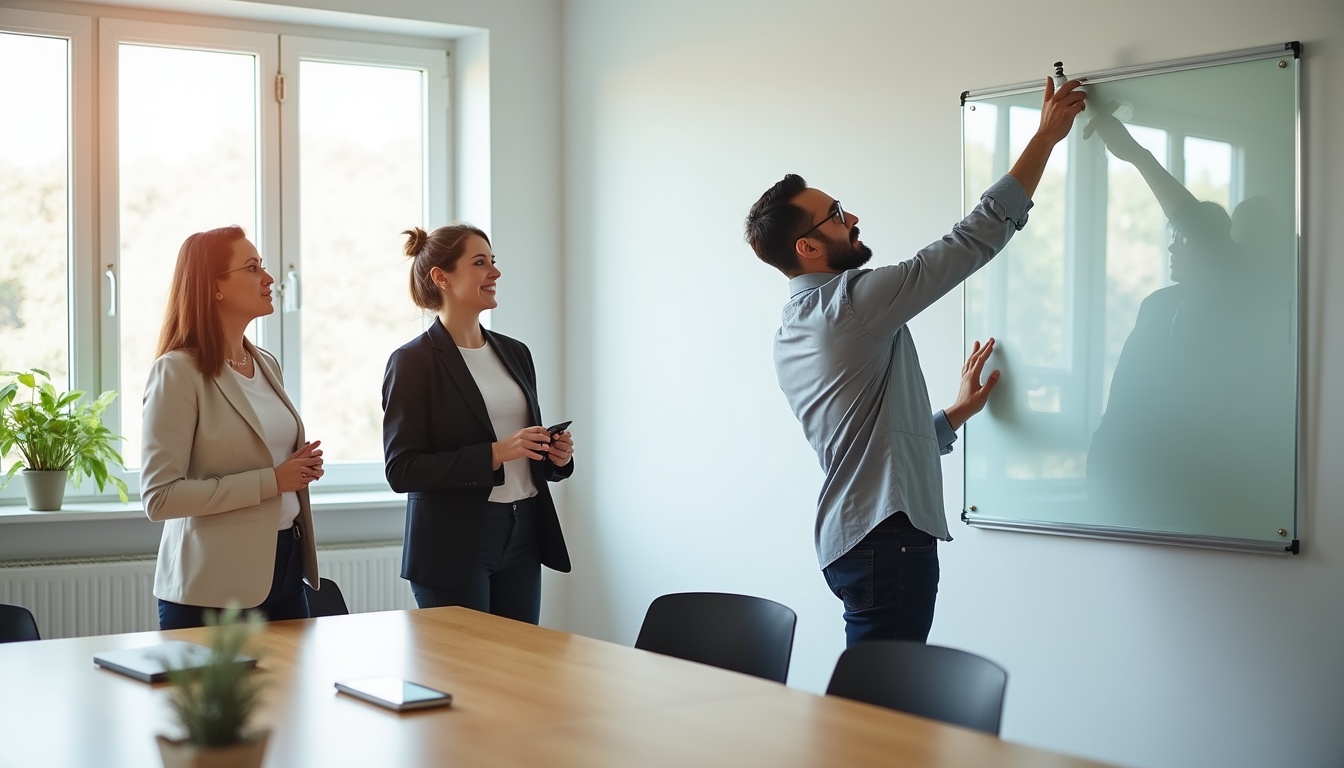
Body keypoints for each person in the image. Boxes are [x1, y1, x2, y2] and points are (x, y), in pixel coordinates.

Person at [744, 77, 1085, 646]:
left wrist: (953, 416)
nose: (852, 218)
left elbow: (868, 444)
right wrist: (1046, 137)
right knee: (880, 717)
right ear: (807, 246)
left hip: (853, 539)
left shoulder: (791, 327)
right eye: (835, 214)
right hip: (886, 541)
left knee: (873, 706)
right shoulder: (852, 302)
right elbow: (972, 239)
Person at [382, 224, 573, 624]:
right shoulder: (412, 362)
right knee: (466, 677)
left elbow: (526, 451)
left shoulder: (515, 353)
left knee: (517, 670)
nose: (496, 273)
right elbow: (402, 469)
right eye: (480, 263)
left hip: (524, 532)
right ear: (441, 277)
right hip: (454, 545)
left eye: (494, 262)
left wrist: (553, 456)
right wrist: (495, 453)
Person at [141, 226, 325, 630]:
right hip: (213, 588)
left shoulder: (266, 363)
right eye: (252, 267)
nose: (269, 278)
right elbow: (160, 497)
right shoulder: (176, 372)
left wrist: (298, 469)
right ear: (215, 288)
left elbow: (268, 460)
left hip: (286, 568)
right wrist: (273, 480)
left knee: (293, 695)